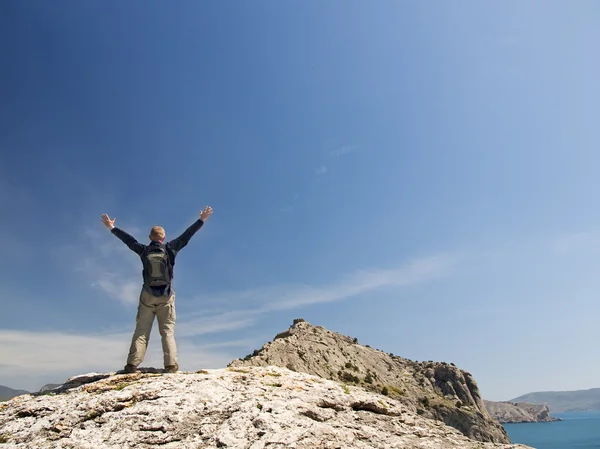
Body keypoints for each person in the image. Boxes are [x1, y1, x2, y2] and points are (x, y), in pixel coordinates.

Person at [100, 206, 214, 373]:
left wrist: (112, 227)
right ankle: (170, 365)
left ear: (150, 238)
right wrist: (201, 219)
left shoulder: (144, 250)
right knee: (167, 331)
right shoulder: (170, 248)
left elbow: (129, 241)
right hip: (166, 296)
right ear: (164, 237)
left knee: (141, 331)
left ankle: (132, 365)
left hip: (147, 296)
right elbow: (187, 235)